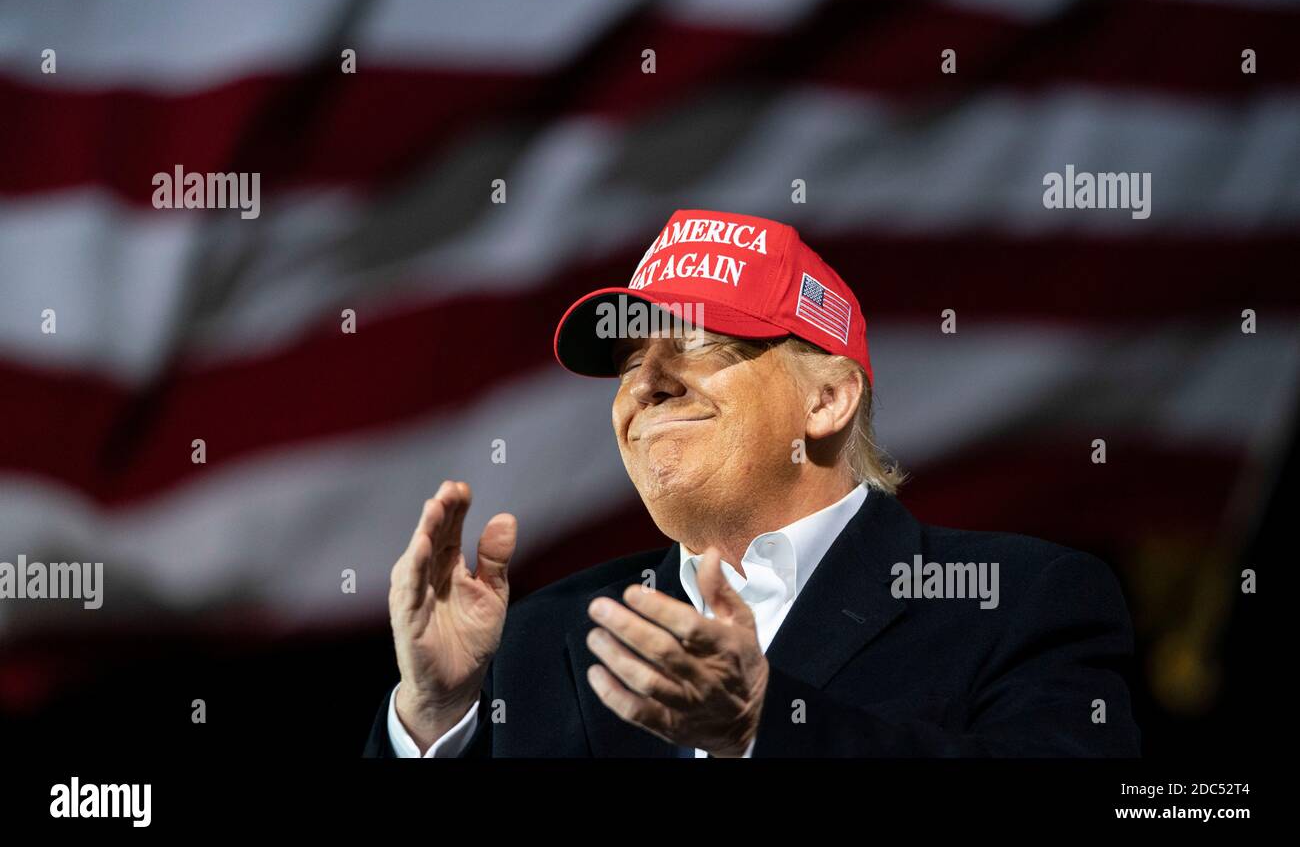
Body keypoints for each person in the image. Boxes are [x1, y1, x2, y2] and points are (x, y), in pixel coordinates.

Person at [363, 209, 1141, 757]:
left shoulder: (1021, 601)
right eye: (629, 359)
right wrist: (435, 716)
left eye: (697, 339)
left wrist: (768, 731)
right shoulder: (537, 641)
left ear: (827, 398)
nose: (648, 382)